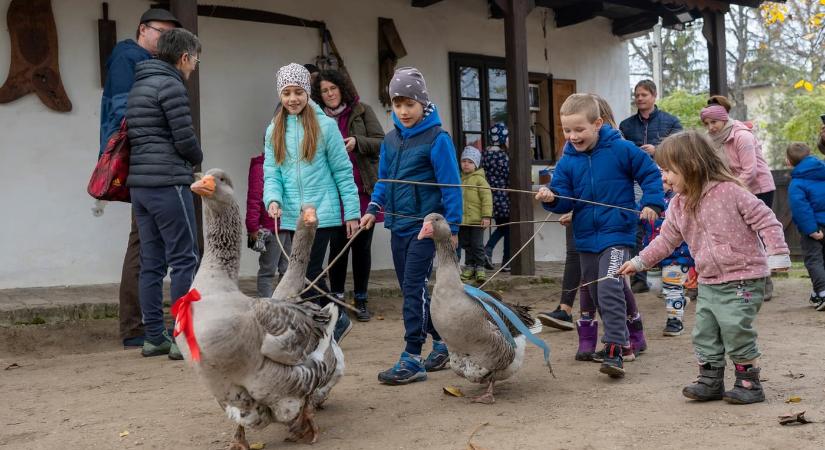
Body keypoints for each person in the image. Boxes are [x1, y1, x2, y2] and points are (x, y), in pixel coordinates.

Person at [619, 130, 790, 404]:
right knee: (705, 331)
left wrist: (778, 254)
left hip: (744, 277)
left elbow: (767, 220)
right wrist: (639, 261)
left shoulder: (731, 192)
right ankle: (710, 381)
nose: (663, 177)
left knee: (735, 328)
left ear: (692, 165)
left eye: (668, 170)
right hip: (709, 280)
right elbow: (666, 240)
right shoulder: (677, 205)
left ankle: (749, 383)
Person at [535, 93, 664, 379]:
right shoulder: (568, 161)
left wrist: (653, 203)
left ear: (598, 124)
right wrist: (551, 198)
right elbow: (563, 199)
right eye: (567, 130)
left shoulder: (622, 149)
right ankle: (625, 338)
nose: (572, 136)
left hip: (618, 232)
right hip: (585, 238)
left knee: (609, 285)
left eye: (579, 129)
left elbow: (650, 174)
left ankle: (616, 347)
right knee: (594, 291)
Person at [361, 67, 463, 385]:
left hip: (426, 227)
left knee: (413, 289)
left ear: (423, 103)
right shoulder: (390, 141)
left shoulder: (438, 138)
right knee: (411, 289)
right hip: (397, 224)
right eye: (398, 104)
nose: (403, 111)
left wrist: (453, 227)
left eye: (410, 104)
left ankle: (412, 356)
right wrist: (373, 209)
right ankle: (443, 342)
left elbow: (451, 185)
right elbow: (384, 180)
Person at [99, 8, 180, 349]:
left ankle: (139, 326)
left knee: (144, 241)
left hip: (146, 163)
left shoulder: (141, 60)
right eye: (160, 32)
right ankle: (136, 326)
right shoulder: (127, 57)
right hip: (143, 164)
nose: (164, 40)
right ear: (142, 29)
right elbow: (122, 112)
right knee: (145, 244)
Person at [263, 63, 361, 342]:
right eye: (286, 93)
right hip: (293, 214)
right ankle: (333, 320)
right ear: (280, 95)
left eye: (298, 92)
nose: (292, 98)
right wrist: (273, 199)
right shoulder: (273, 130)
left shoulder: (326, 127)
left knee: (307, 273)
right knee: (305, 274)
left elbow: (344, 172)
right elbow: (272, 171)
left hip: (323, 214)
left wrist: (351, 212)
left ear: (307, 92)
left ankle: (331, 321)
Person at [125, 28, 202, 359]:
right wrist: (196, 159)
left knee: (151, 263)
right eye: (195, 60)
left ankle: (153, 336)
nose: (194, 67)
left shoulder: (140, 82)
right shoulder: (172, 84)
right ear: (184, 57)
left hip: (140, 185)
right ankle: (179, 337)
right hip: (168, 182)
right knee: (185, 257)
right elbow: (184, 138)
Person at [312, 69, 385, 322]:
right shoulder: (316, 117)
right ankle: (338, 299)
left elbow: (381, 141)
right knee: (338, 247)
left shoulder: (362, 110)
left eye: (333, 88)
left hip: (362, 188)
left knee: (362, 246)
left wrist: (357, 141)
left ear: (342, 88)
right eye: (324, 90)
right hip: (333, 192)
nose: (330, 93)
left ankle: (362, 299)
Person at [701, 99, 777, 300]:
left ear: (723, 120)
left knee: (757, 234)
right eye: (706, 124)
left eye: (714, 123)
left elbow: (750, 171)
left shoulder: (742, 136)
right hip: (732, 189)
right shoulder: (709, 140)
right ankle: (741, 279)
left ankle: (765, 281)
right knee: (738, 234)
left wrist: (729, 192)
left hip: (757, 188)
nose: (710, 128)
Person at [619, 80, 683, 294]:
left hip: (667, 177)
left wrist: (657, 150)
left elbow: (679, 148)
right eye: (636, 95)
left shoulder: (671, 122)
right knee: (640, 224)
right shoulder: (626, 126)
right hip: (637, 180)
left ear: (654, 96)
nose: (639, 98)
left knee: (671, 223)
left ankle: (677, 274)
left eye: (643, 94)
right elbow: (622, 151)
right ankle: (639, 276)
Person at [640, 175, 696, 336]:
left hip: (678, 254)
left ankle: (675, 321)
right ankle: (679, 300)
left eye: (664, 181)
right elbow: (638, 218)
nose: (662, 185)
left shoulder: (680, 201)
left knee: (672, 287)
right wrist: (640, 216)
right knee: (655, 287)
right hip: (655, 253)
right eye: (658, 182)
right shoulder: (647, 201)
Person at [246, 152, 292, 298]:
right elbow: (254, 198)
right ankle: (266, 306)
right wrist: (252, 227)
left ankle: (284, 305)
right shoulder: (260, 167)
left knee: (287, 269)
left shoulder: (286, 165)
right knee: (268, 270)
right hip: (270, 227)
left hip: (286, 225)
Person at [786, 142, 825, 309]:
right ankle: (817, 293)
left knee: (813, 260)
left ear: (789, 161)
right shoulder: (822, 173)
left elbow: (801, 209)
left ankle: (823, 292)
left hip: (814, 228)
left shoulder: (797, 183)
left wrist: (811, 230)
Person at [459, 146, 493, 282]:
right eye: (464, 161)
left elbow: (487, 199)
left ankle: (480, 266)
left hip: (477, 220)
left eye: (470, 162)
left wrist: (486, 216)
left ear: (476, 164)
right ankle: (469, 266)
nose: (466, 164)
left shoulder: (480, 180)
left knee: (477, 244)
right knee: (466, 244)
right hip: (463, 220)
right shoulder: (459, 180)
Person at [482, 122, 511, 272]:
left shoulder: (484, 154)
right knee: (508, 228)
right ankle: (505, 261)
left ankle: (489, 251)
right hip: (503, 196)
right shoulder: (504, 157)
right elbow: (509, 176)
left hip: (488, 195)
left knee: (504, 227)